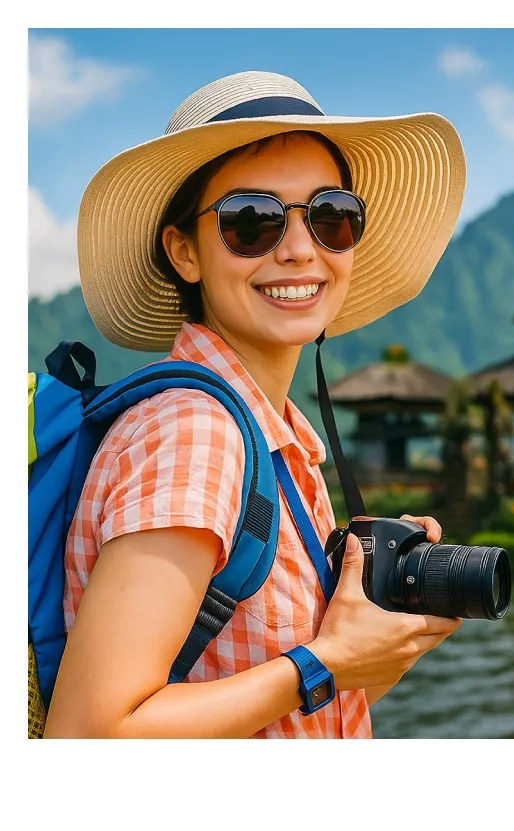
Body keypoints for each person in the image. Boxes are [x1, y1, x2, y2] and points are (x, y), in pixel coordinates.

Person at [44, 70, 466, 739]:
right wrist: (320, 661)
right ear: (184, 251)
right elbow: (90, 736)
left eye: (331, 217)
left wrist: (372, 647)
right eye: (252, 220)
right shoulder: (195, 433)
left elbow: (284, 708)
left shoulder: (277, 438)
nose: (300, 248)